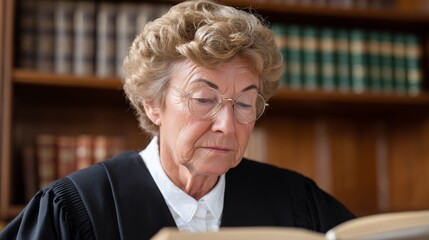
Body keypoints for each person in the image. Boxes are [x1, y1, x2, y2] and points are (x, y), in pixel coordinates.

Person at [0, 0, 355, 239]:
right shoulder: (78, 209)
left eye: (244, 104)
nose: (227, 126)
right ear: (153, 105)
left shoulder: (295, 203)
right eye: (204, 99)